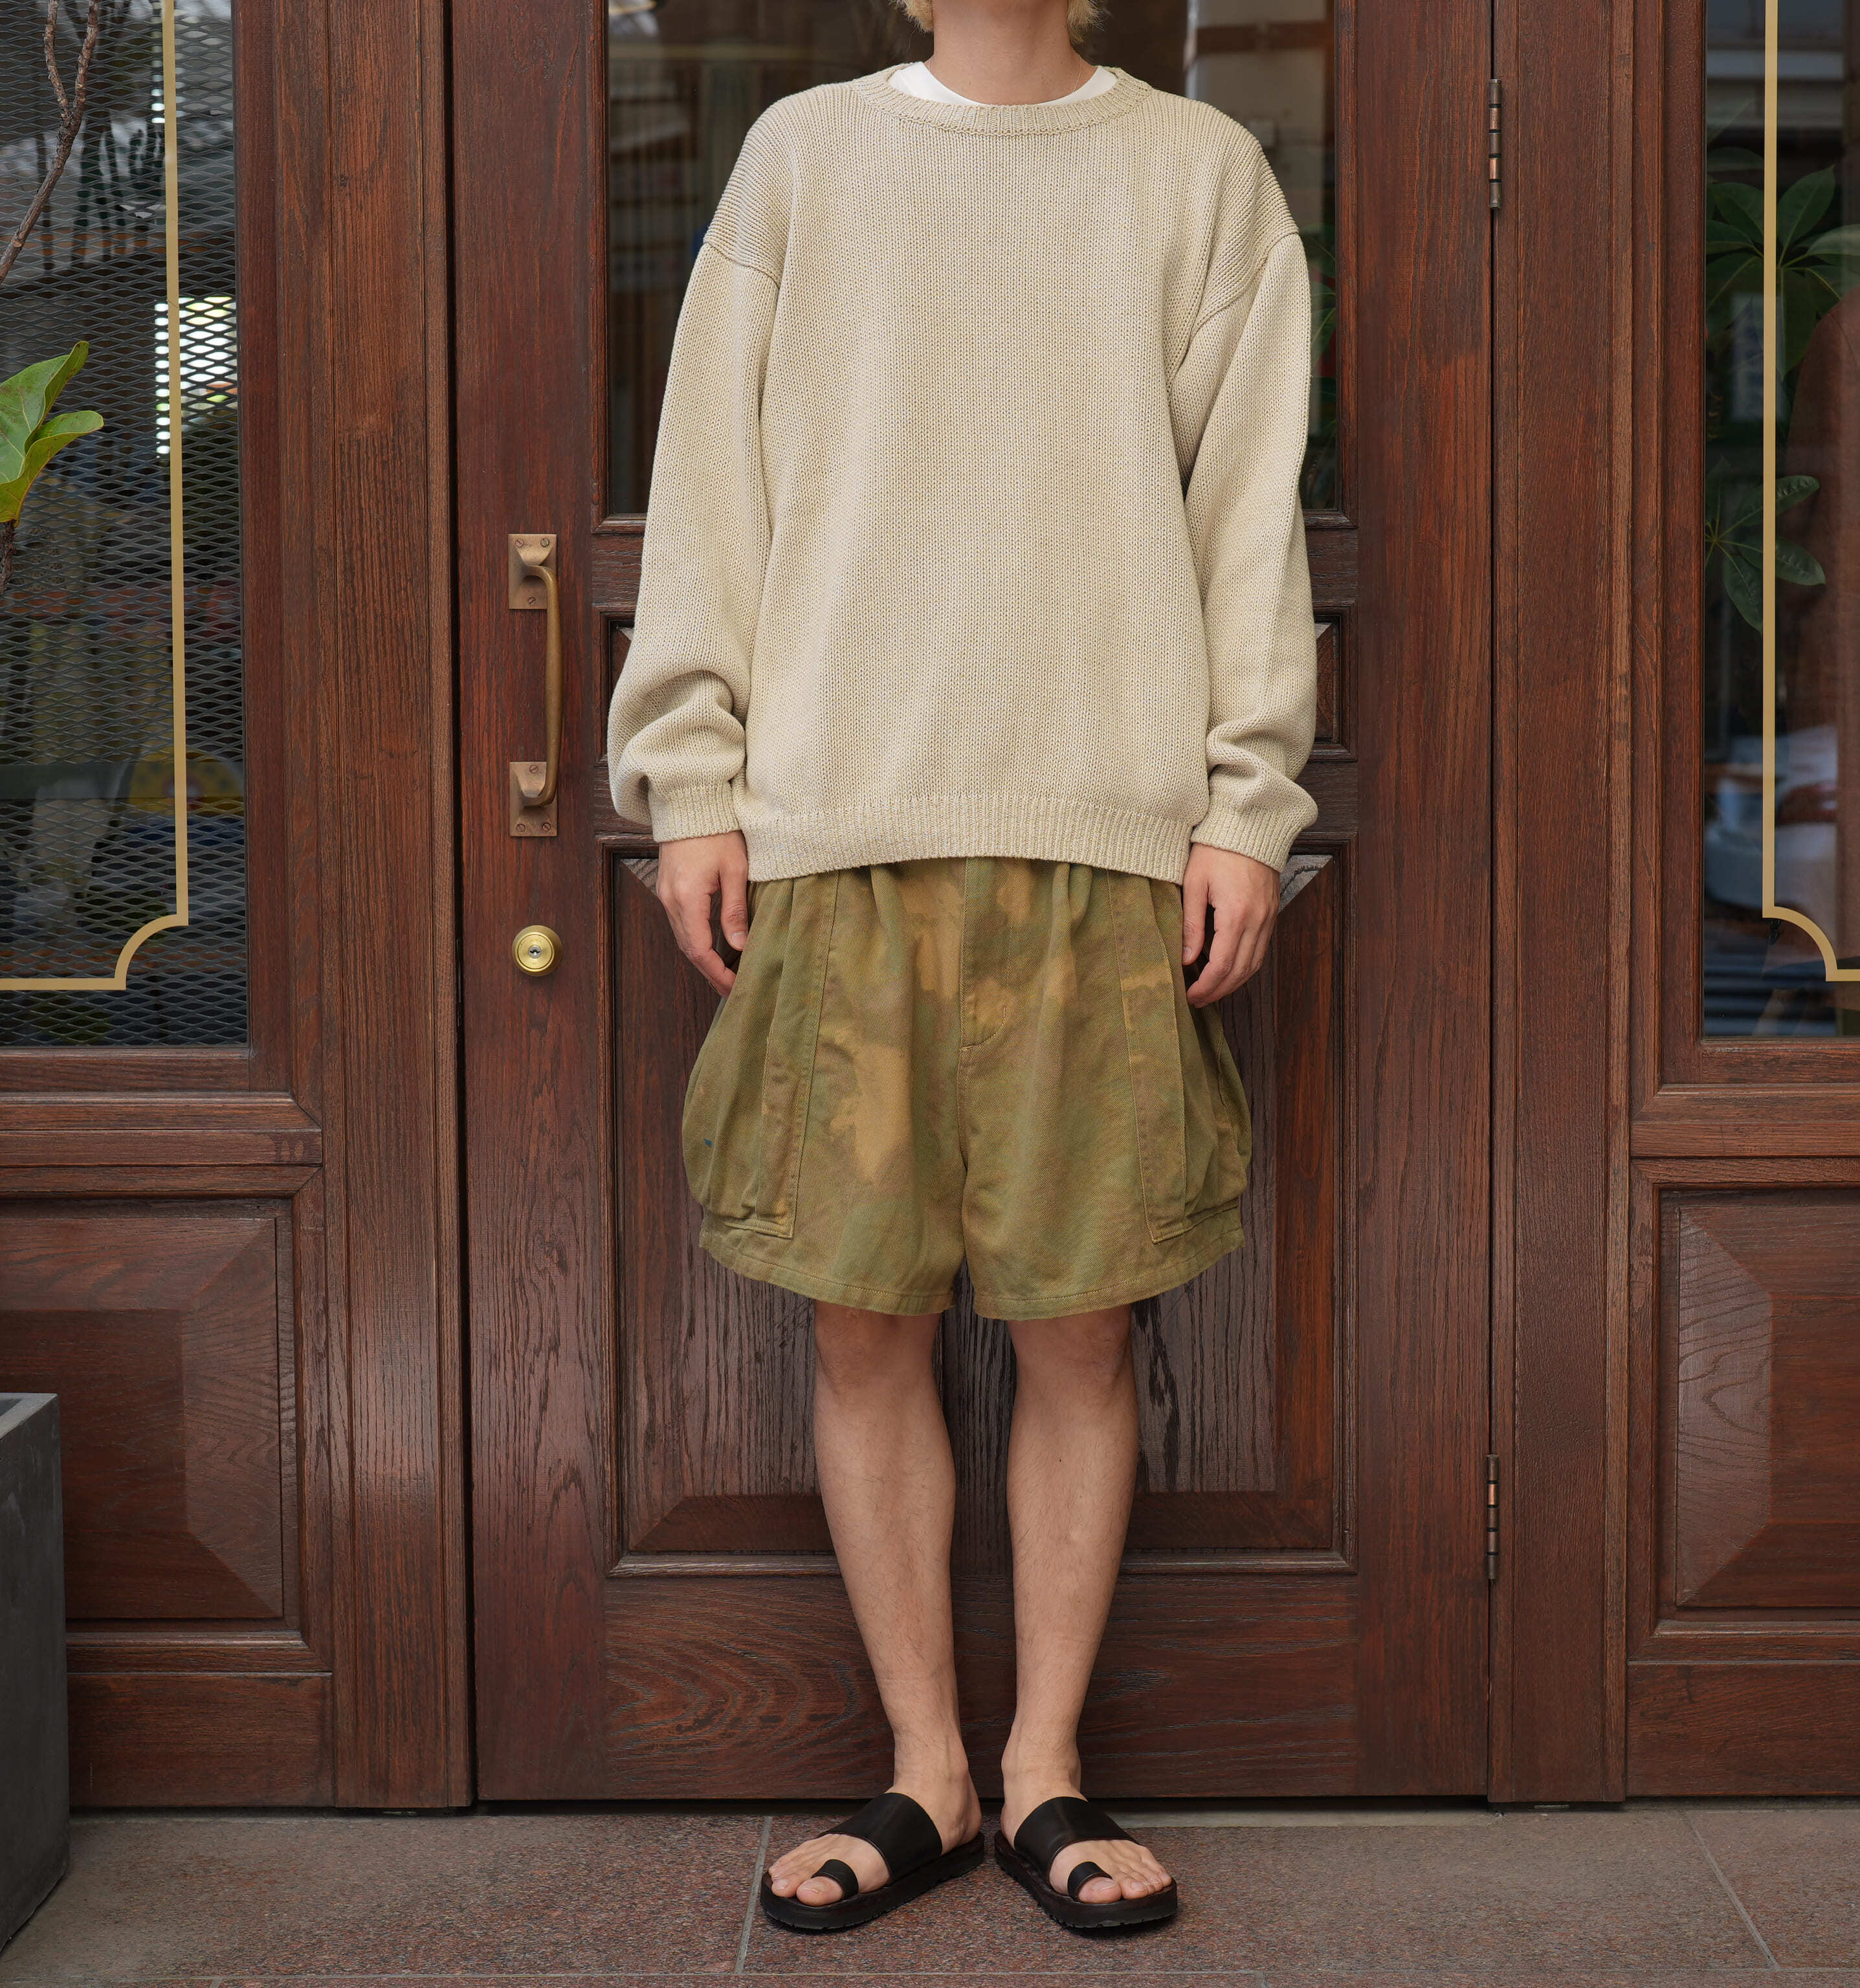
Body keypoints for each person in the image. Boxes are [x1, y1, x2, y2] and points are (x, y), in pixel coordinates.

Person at [604, 0, 1318, 1937]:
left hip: (1108, 837)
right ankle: (925, 1771)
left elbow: (1247, 517)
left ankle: (1045, 1771)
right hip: (840, 828)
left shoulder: (1201, 177)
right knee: (863, 1324)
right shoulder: (805, 158)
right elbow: (712, 485)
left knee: (1084, 1329)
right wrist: (692, 779)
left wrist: (1246, 807)